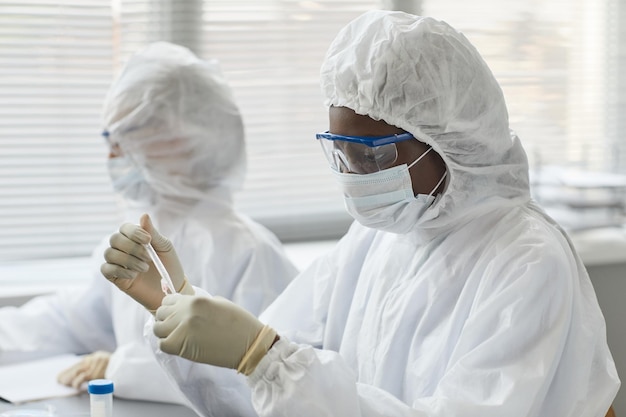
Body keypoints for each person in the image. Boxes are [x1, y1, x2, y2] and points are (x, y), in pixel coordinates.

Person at [101, 11, 620, 417]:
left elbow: (276, 365)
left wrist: (263, 356)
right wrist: (177, 308)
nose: (354, 175)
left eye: (372, 155)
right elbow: (264, 384)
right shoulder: (376, 240)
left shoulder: (527, 262)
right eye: (341, 152)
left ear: (450, 143)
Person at [0, 41, 298, 404]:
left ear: (186, 138)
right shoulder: (140, 229)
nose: (111, 155)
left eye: (126, 138)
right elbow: (70, 320)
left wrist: (121, 367)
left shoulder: (249, 252)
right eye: (109, 139)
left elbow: (265, 381)